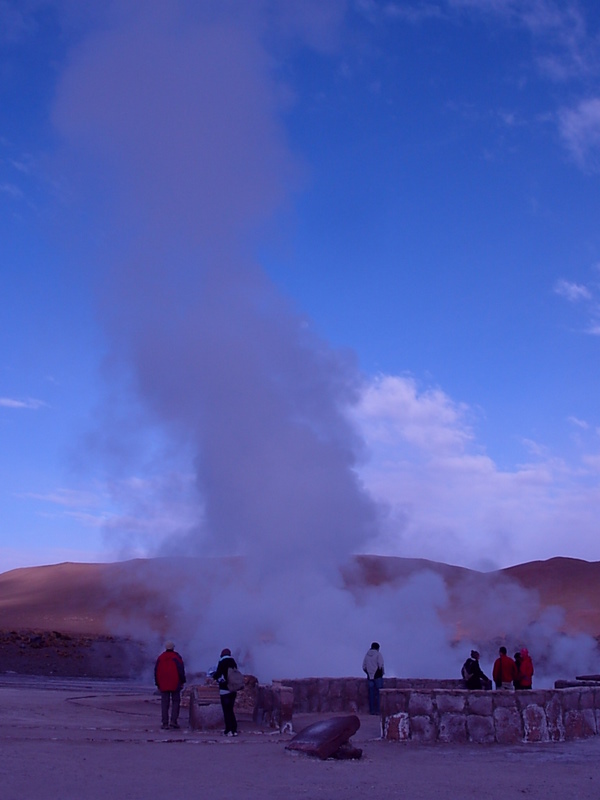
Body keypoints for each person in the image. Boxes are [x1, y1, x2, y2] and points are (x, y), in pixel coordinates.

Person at [154, 641, 186, 730]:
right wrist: (183, 681)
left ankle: (164, 723)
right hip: (175, 683)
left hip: (163, 684)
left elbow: (156, 671)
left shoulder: (160, 658)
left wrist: (157, 683)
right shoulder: (176, 657)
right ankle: (173, 721)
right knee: (175, 703)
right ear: (173, 648)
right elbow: (181, 670)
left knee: (164, 704)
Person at [213, 647, 239, 736]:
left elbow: (218, 674)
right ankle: (234, 729)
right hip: (233, 689)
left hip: (224, 690)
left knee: (226, 710)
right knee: (231, 710)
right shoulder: (233, 662)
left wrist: (214, 676)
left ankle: (228, 730)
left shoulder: (222, 662)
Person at [362, 642, 385, 715]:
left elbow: (364, 666)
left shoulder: (367, 655)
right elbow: (380, 665)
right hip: (377, 676)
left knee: (371, 694)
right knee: (379, 694)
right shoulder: (378, 654)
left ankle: (372, 710)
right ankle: (378, 710)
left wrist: (369, 673)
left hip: (370, 676)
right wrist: (380, 673)